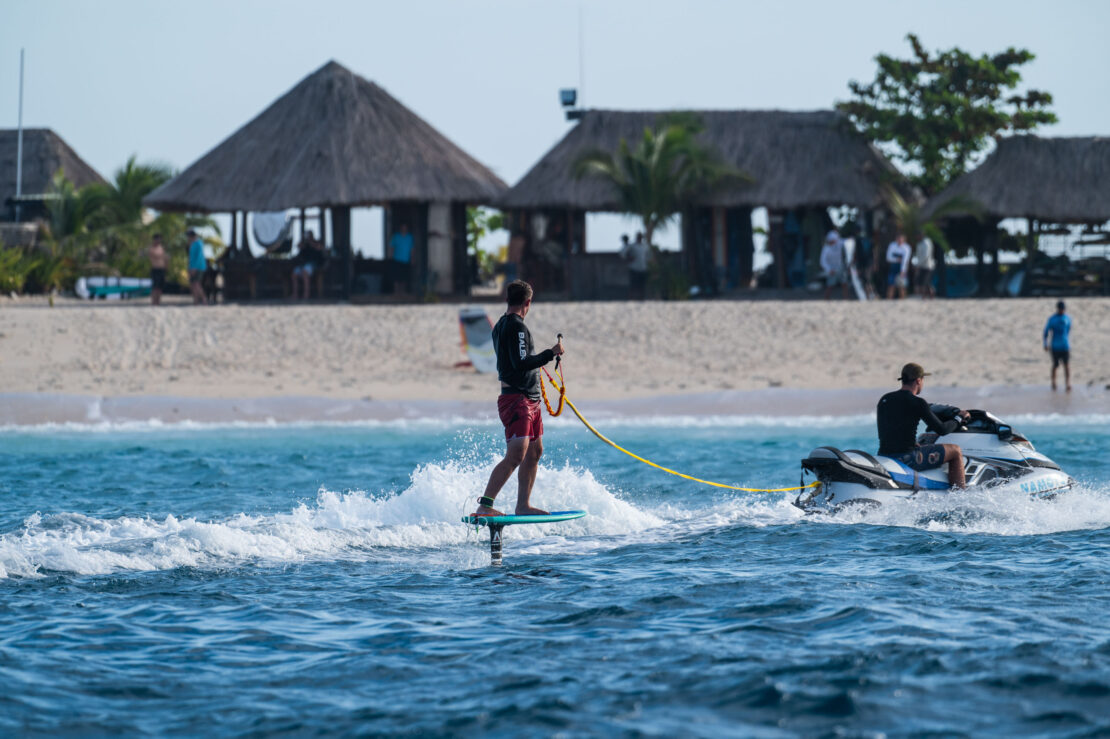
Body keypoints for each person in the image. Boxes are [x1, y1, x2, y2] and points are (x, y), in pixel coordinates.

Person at [473, 280, 565, 518]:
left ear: (507, 299)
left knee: (535, 452)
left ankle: (523, 505)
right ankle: (485, 505)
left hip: (529, 399)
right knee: (516, 455)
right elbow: (520, 363)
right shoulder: (517, 327)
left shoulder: (500, 326)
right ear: (528, 302)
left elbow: (514, 360)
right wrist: (550, 353)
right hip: (518, 400)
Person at [877, 363, 970, 488]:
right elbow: (942, 429)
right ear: (918, 380)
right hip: (907, 458)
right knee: (955, 451)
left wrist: (910, 443)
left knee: (922, 445)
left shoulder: (885, 399)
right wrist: (959, 418)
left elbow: (888, 430)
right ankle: (960, 495)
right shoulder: (917, 402)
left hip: (883, 454)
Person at [1043, 300, 1072, 392]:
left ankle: (1067, 384)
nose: (1061, 310)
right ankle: (1053, 382)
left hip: (1065, 345)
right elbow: (1046, 332)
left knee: (1066, 365)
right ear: (1057, 309)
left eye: (1063, 309)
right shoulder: (1052, 319)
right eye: (1060, 309)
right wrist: (1045, 344)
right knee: (1055, 365)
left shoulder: (1068, 318)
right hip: (1055, 346)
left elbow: (1068, 330)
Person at [291, 231, 326, 300]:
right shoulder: (304, 243)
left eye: (309, 235)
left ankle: (306, 295)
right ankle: (295, 294)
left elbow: (321, 248)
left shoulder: (316, 243)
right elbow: (298, 246)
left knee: (305, 272)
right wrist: (304, 243)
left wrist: (311, 243)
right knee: (294, 274)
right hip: (303, 264)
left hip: (313, 265)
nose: (308, 237)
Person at [820, 229, 849, 300]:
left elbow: (848, 241)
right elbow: (822, 261)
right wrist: (829, 269)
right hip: (832, 268)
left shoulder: (839, 243)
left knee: (844, 284)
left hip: (841, 266)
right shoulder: (826, 248)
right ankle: (826, 299)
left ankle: (846, 299)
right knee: (830, 285)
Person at [621, 232, 651, 299]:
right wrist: (628, 258)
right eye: (638, 237)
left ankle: (642, 298)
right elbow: (623, 253)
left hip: (643, 268)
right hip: (633, 268)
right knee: (633, 286)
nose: (639, 238)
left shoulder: (645, 246)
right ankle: (631, 298)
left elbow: (649, 256)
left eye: (640, 237)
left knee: (642, 286)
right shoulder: (632, 246)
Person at [389, 223, 414, 295]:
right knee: (396, 277)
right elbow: (391, 247)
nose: (404, 229)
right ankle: (396, 292)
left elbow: (412, 249)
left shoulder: (410, 237)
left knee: (405, 277)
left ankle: (403, 293)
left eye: (405, 227)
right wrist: (391, 257)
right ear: (400, 228)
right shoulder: (396, 236)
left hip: (406, 260)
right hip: (396, 259)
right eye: (403, 227)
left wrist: (412, 258)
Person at [885, 233, 912, 299]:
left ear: (904, 239)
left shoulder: (907, 248)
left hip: (902, 267)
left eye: (901, 239)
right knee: (891, 285)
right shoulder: (892, 245)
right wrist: (897, 259)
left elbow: (905, 260)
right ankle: (889, 299)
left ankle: (902, 300)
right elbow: (888, 258)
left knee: (902, 286)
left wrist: (903, 270)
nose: (899, 240)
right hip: (893, 267)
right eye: (898, 239)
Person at [186, 228, 207, 304]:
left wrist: (195, 268)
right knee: (192, 284)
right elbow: (191, 257)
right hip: (192, 267)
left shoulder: (199, 243)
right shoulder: (192, 244)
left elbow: (199, 257)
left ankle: (204, 299)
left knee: (197, 283)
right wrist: (189, 267)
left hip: (198, 267)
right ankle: (196, 300)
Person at [148, 233, 166, 306]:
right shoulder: (152, 248)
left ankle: (158, 301)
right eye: (157, 239)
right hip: (155, 269)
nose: (158, 241)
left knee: (160, 287)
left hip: (162, 269)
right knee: (155, 287)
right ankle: (153, 302)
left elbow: (164, 258)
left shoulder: (161, 247)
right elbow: (155, 256)